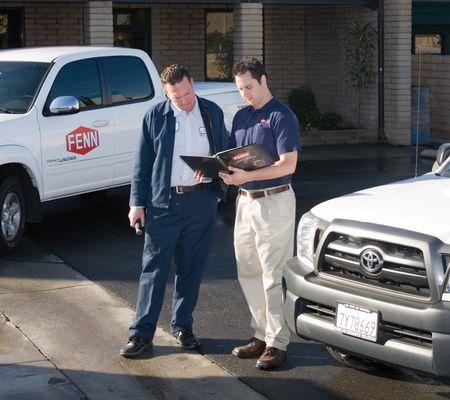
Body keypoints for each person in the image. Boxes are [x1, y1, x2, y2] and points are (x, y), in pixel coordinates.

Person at [120, 64, 229, 357]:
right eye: (176, 97)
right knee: (153, 270)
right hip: (163, 204)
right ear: (166, 94)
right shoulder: (155, 116)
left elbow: (224, 151)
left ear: (192, 84)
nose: (183, 100)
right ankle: (141, 335)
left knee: (191, 268)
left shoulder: (212, 112)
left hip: (200, 202)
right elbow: (142, 162)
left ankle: (183, 326)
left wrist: (213, 177)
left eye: (186, 93)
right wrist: (136, 204)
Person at [219, 58, 300, 370]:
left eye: (249, 87)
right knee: (248, 270)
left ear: (264, 80)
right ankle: (261, 333)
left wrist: (246, 177)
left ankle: (278, 341)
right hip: (245, 201)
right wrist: (223, 171)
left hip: (274, 202)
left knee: (272, 273)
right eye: (240, 89)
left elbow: (288, 164)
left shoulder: (282, 116)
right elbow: (233, 158)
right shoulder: (240, 117)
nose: (245, 94)